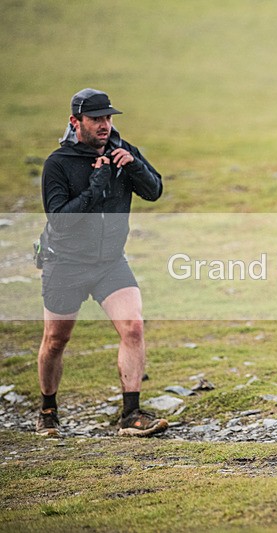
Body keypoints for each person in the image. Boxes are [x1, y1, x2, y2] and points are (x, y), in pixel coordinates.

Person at [35, 88, 167, 438]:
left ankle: (131, 414)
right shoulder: (58, 164)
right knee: (55, 340)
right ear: (75, 122)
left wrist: (134, 167)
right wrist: (96, 187)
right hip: (65, 263)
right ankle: (48, 408)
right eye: (96, 119)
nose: (104, 125)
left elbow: (154, 191)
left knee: (133, 327)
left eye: (108, 118)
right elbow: (60, 220)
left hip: (110, 262)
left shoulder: (123, 152)